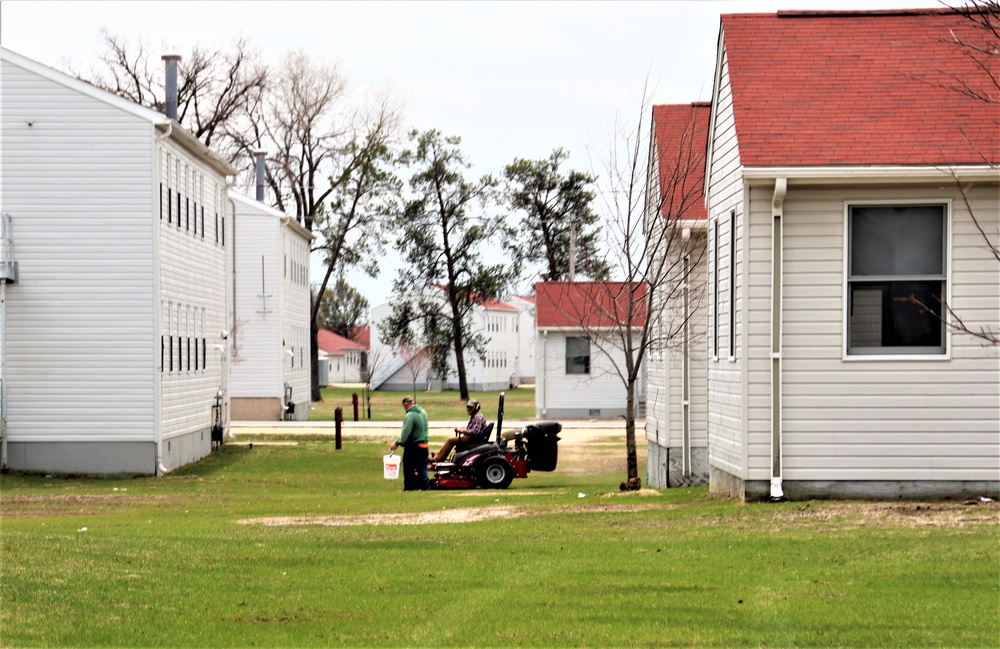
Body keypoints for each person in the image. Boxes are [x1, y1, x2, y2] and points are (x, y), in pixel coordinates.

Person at [389, 396, 429, 491]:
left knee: (408, 468)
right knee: (422, 467)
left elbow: (405, 433)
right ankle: (425, 486)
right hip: (424, 445)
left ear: (405, 404)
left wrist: (397, 443)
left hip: (414, 446)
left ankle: (409, 487)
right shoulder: (423, 412)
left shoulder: (410, 415)